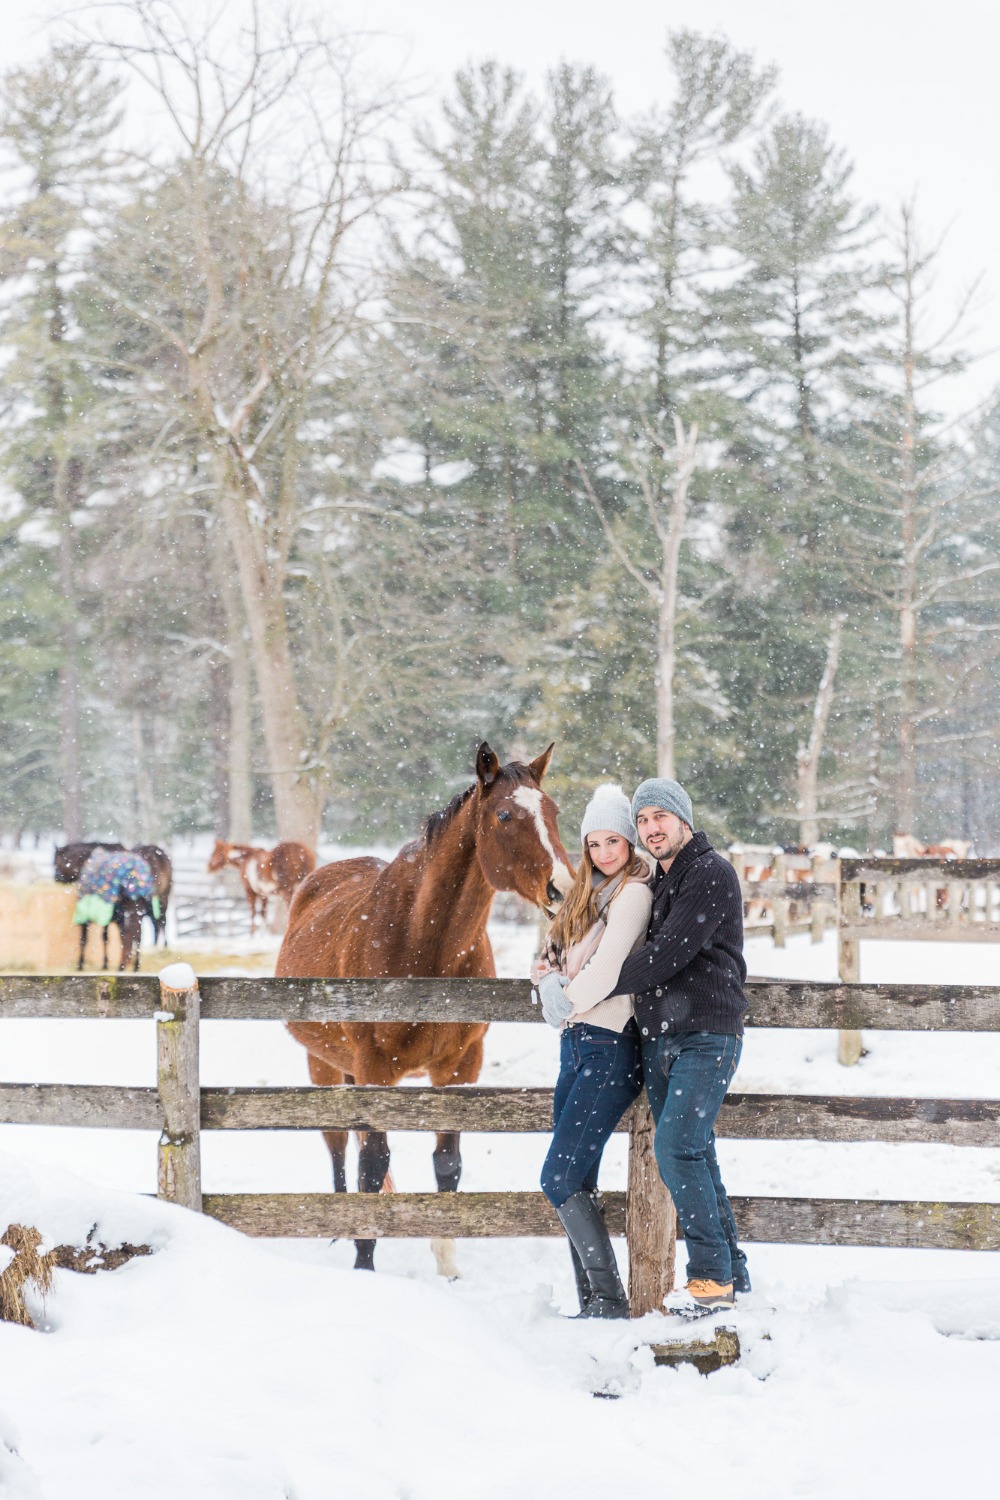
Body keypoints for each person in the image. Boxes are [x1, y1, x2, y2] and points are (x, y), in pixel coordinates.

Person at [607, 776, 750, 1313]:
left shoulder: (710, 872)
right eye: (641, 821)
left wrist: (593, 982)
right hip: (661, 1036)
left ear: (683, 819)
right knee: (696, 1152)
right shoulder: (659, 879)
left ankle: (710, 1280)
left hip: (707, 1034)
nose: (650, 828)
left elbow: (669, 953)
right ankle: (732, 1272)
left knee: (675, 1148)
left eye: (659, 817)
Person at [533, 784, 654, 1319]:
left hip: (609, 1046)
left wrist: (563, 1000)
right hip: (575, 1045)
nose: (604, 853)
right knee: (576, 1179)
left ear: (629, 841)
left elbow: (606, 972)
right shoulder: (584, 897)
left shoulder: (634, 894)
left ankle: (609, 1299)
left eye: (614, 841)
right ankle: (591, 1301)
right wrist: (547, 987)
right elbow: (546, 959)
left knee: (556, 1177)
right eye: (594, 844)